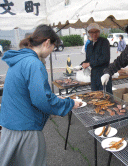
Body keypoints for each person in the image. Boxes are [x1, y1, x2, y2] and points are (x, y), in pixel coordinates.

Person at [0, 24, 81, 166]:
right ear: (47, 43)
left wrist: (55, 98)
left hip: (9, 127)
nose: (51, 52)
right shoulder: (34, 63)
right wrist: (70, 103)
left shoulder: (19, 60)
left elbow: (30, 94)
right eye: (53, 48)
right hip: (25, 130)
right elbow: (42, 100)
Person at [80, 23, 112, 94]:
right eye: (91, 32)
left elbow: (105, 58)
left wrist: (89, 63)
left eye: (96, 32)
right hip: (94, 76)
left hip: (104, 74)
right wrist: (82, 64)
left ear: (99, 32)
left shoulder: (104, 42)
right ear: (88, 33)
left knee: (106, 96)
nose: (94, 34)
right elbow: (88, 59)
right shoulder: (89, 45)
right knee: (95, 96)